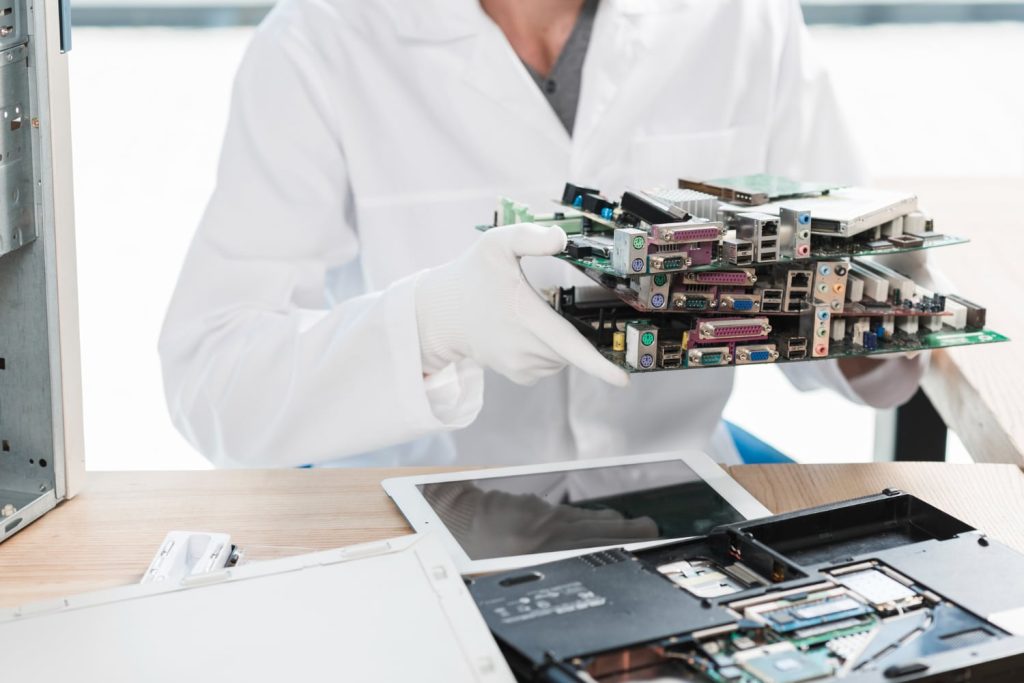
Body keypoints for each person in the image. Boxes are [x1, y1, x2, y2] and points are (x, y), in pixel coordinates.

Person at [159, 0, 926, 469]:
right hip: (407, 499)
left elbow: (869, 339)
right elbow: (214, 387)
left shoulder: (739, 15)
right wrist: (431, 325)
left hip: (674, 484)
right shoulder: (317, 41)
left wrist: (871, 314)